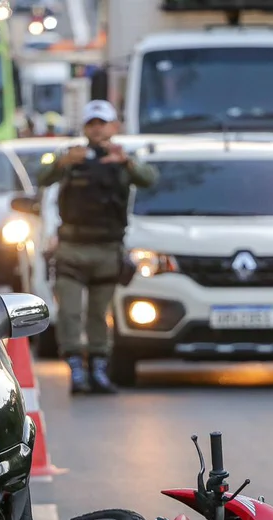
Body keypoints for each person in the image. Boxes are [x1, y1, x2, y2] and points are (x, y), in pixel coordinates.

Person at [35, 100, 158, 394]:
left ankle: (99, 368)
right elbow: (41, 179)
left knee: (99, 315)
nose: (97, 129)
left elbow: (149, 179)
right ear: (85, 128)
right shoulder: (72, 157)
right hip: (72, 249)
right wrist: (62, 162)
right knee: (70, 313)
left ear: (113, 127)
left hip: (107, 250)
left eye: (102, 123)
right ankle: (76, 368)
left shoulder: (121, 159)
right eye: (92, 123)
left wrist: (126, 161)